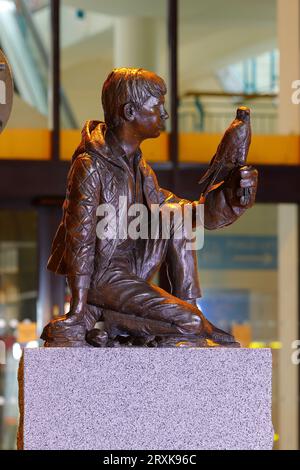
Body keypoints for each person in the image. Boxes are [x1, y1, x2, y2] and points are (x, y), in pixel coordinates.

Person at [42, 68, 258, 348]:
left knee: (174, 215)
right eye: (158, 106)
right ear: (130, 111)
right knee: (190, 323)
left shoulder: (140, 167)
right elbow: (79, 239)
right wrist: (78, 310)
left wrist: (233, 196)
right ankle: (148, 321)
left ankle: (185, 308)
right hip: (103, 277)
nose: (165, 114)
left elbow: (192, 214)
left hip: (131, 270)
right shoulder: (90, 165)